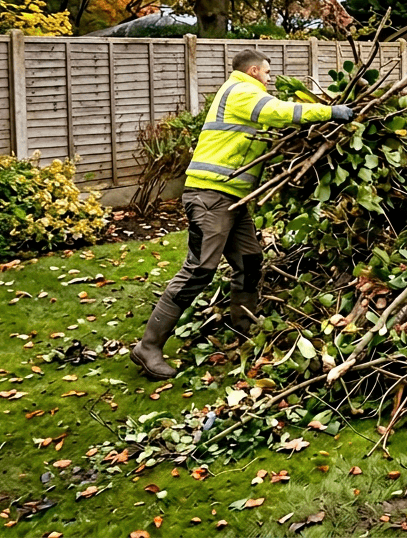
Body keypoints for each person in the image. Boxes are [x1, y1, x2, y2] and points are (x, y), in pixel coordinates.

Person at [131, 49, 354, 381]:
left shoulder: (244, 93)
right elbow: (278, 112)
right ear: (253, 71)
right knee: (199, 270)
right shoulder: (241, 91)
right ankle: (148, 347)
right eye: (266, 73)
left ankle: (246, 333)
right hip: (210, 195)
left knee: (249, 260)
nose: (269, 79)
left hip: (231, 198)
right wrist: (328, 112)